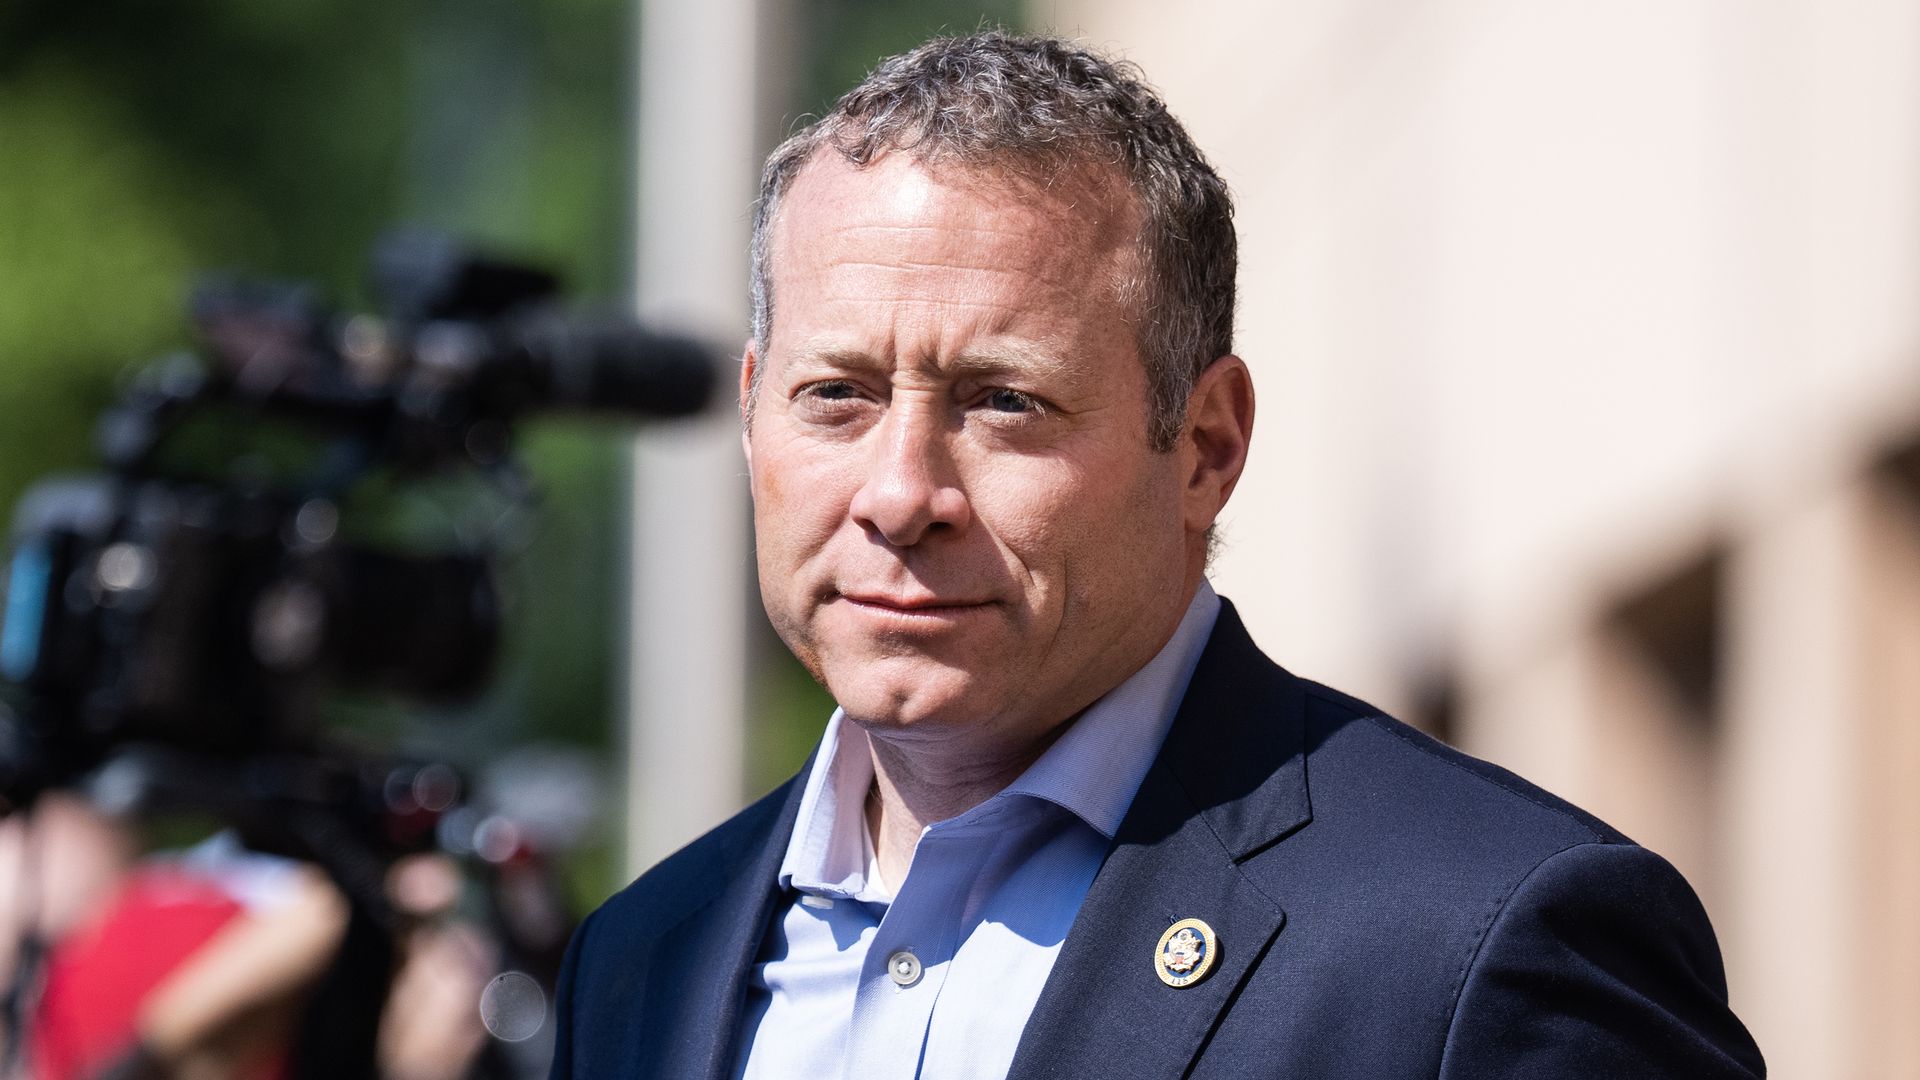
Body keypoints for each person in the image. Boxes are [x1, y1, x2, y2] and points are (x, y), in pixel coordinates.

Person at [549, 30, 1765, 1080]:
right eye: (837, 395)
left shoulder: (1489, 940)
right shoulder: (640, 957)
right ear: (755, 410)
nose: (902, 493)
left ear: (1207, 446)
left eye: (1003, 401)